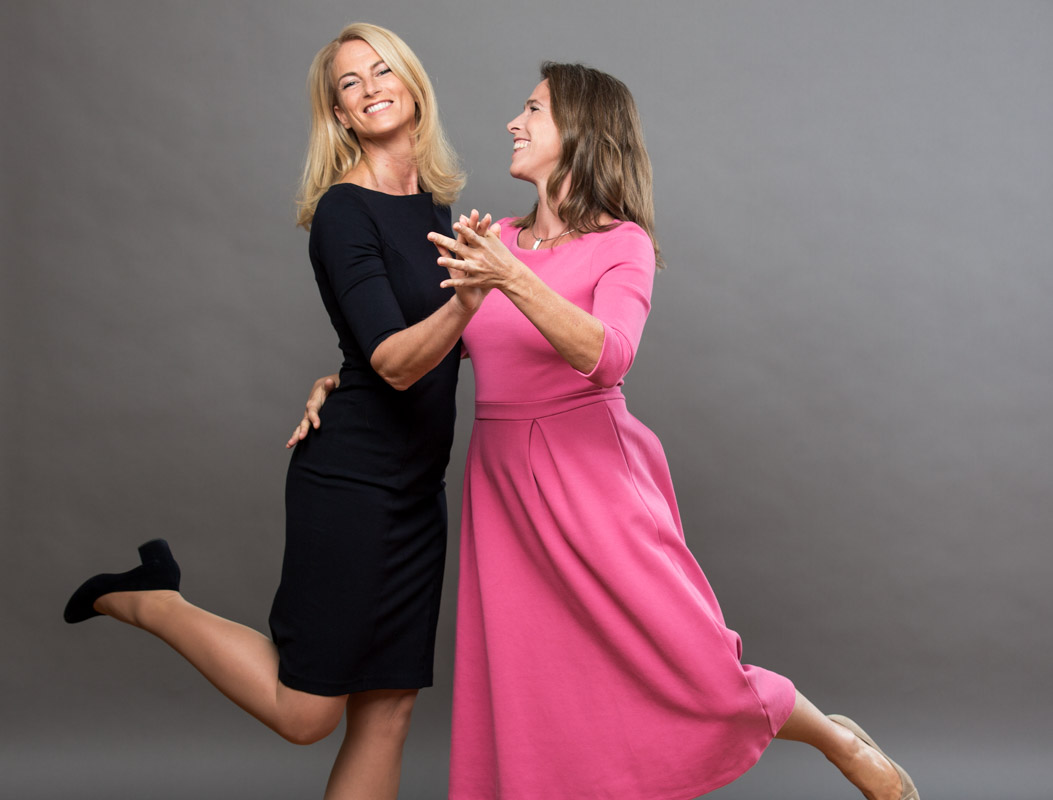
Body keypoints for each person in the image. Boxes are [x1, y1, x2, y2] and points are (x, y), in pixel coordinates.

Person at [300, 61, 919, 800]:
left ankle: (837, 740)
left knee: (696, 666)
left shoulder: (621, 244)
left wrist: (510, 279)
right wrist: (343, 382)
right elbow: (427, 346)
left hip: (594, 478)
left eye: (533, 110)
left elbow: (608, 355)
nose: (513, 122)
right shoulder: (494, 238)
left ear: (581, 131)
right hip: (504, 491)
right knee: (537, 689)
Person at [63, 23, 485, 800]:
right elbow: (395, 362)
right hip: (353, 484)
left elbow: (424, 343)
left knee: (389, 712)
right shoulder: (343, 211)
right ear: (339, 114)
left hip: (418, 491)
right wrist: (467, 302)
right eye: (350, 83)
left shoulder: (435, 206)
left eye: (381, 70)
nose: (370, 88)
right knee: (305, 713)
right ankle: (154, 600)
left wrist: (340, 373)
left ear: (413, 84)